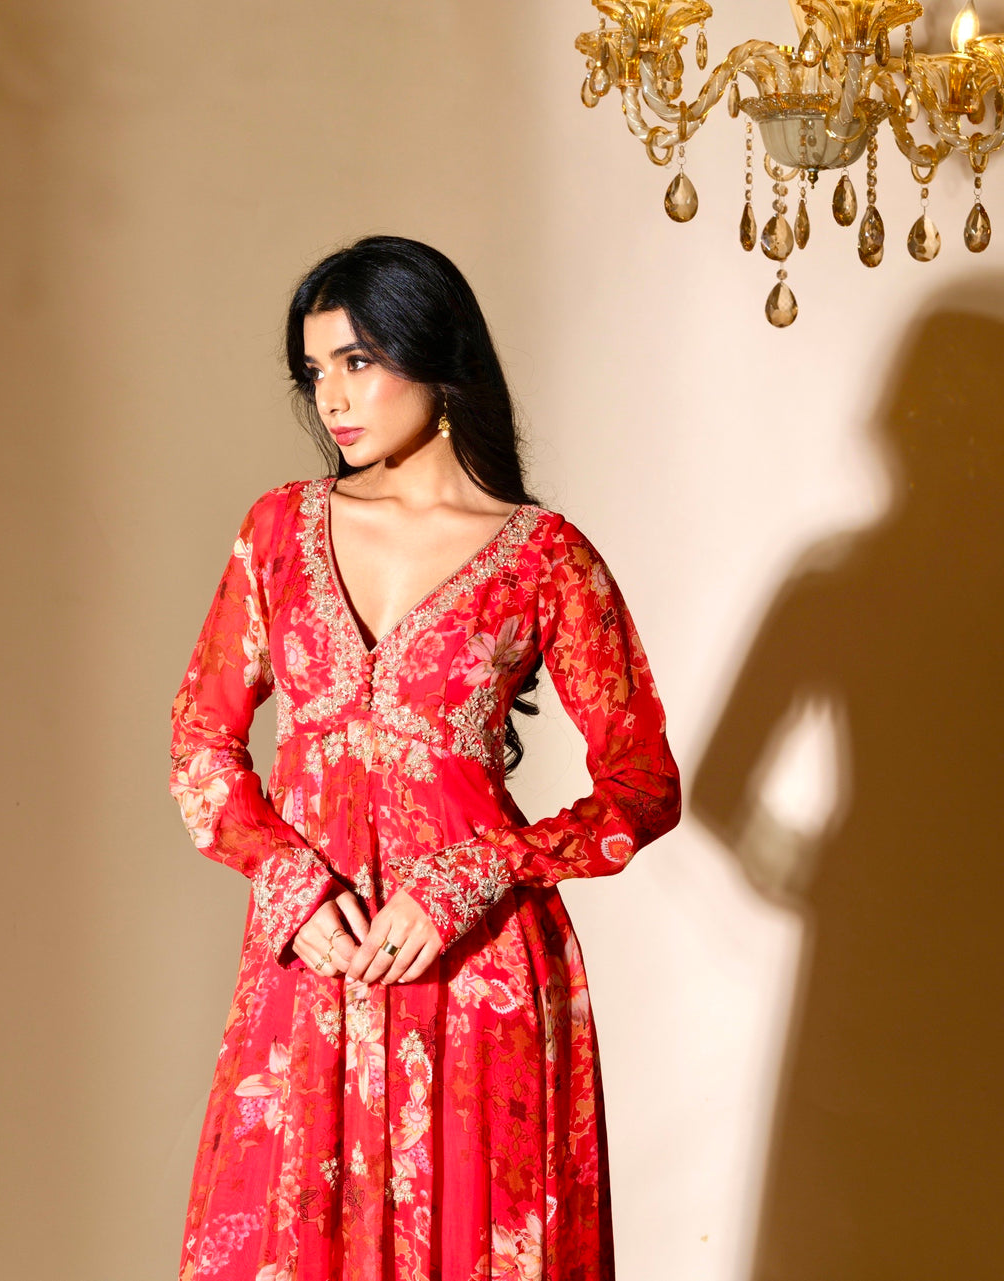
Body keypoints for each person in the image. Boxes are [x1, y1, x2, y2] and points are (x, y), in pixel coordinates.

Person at [168, 234, 681, 1281]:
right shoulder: (277, 532)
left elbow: (643, 781)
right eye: (316, 374)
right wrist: (288, 886)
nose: (333, 401)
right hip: (313, 960)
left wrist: (475, 872)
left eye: (357, 361)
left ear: (434, 353)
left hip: (476, 972)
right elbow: (200, 740)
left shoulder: (543, 557)